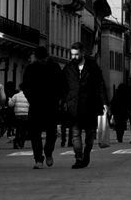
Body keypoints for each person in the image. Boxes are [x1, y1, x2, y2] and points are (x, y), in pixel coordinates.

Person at [63, 41, 108, 169]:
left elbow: (100, 85)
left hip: (90, 105)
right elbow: (64, 86)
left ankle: (87, 154)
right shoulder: (68, 68)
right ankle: (78, 158)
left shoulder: (92, 67)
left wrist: (104, 102)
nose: (74, 57)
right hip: (74, 106)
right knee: (75, 134)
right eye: (72, 54)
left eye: (76, 54)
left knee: (90, 134)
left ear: (82, 53)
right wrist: (65, 100)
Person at [23, 46, 66, 168]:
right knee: (50, 133)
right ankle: (47, 153)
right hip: (50, 105)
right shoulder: (55, 67)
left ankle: (39, 159)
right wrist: (59, 99)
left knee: (36, 134)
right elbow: (62, 85)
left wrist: (30, 98)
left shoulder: (31, 68)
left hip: (38, 104)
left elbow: (25, 86)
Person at [7, 84, 30, 149]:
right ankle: (22, 143)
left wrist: (9, 99)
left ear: (19, 88)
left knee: (18, 129)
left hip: (18, 114)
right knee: (24, 129)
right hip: (26, 114)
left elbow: (11, 104)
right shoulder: (28, 95)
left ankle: (17, 142)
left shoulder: (16, 95)